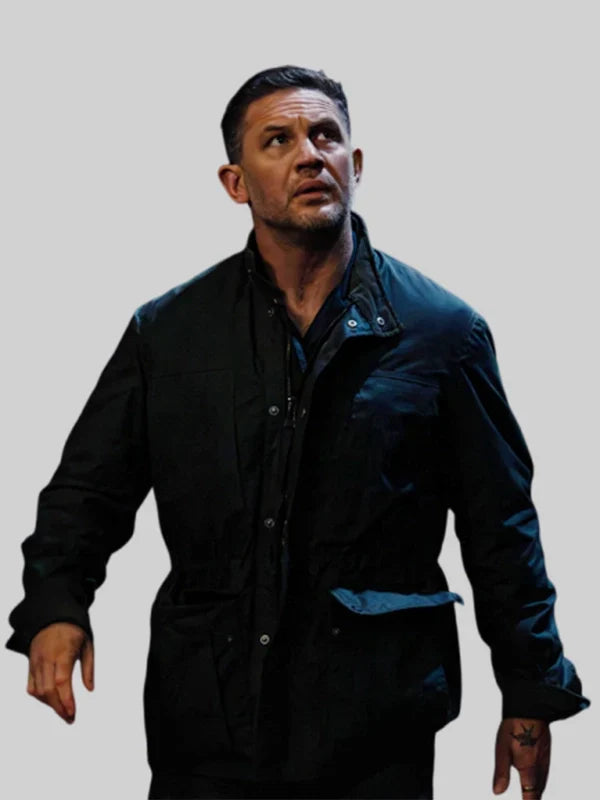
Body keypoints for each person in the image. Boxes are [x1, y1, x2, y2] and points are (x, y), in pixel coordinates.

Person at [6, 65, 590, 800]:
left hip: (375, 731)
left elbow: (501, 525)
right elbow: (88, 491)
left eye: (326, 136)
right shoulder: (172, 334)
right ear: (235, 182)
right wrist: (56, 606)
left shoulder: (443, 335)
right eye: (278, 140)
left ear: (356, 163)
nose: (310, 155)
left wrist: (530, 688)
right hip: (208, 723)